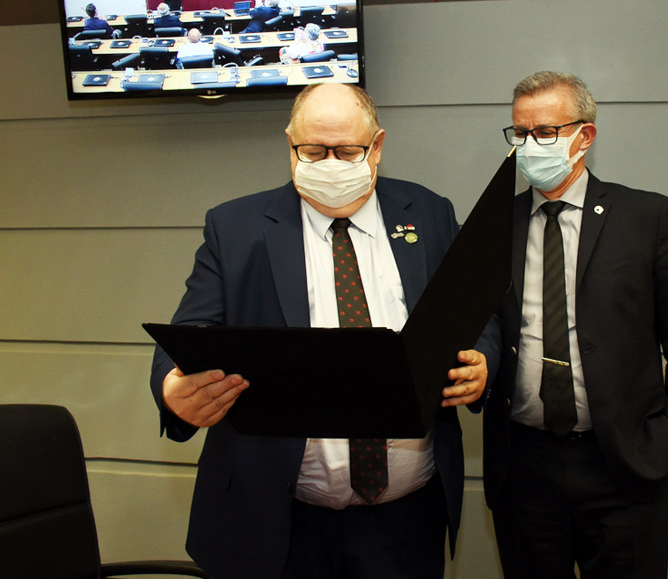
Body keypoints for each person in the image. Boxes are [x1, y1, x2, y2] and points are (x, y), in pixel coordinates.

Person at [149, 83, 490, 579]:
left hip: (407, 521)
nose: (329, 163)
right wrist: (172, 389)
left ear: (376, 146)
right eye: (312, 150)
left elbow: (478, 315)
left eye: (347, 150)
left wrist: (482, 361)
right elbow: (190, 331)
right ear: (289, 142)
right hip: (282, 520)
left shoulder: (430, 213)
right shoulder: (236, 226)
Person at [482, 71, 668, 579]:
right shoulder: (496, 222)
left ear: (583, 136)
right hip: (524, 467)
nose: (528, 146)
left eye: (544, 132)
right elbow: (484, 331)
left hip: (623, 466)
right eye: (519, 134)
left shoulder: (646, 217)